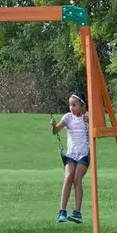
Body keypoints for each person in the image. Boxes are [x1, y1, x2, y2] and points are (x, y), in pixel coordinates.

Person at [50, 94, 90, 224]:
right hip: (71, 154)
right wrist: (53, 126)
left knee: (77, 179)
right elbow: (55, 131)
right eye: (70, 105)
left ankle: (77, 213)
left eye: (74, 105)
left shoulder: (88, 116)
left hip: (84, 154)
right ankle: (62, 212)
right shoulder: (68, 117)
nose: (71, 107)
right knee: (68, 178)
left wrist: (89, 121)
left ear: (82, 105)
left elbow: (99, 126)